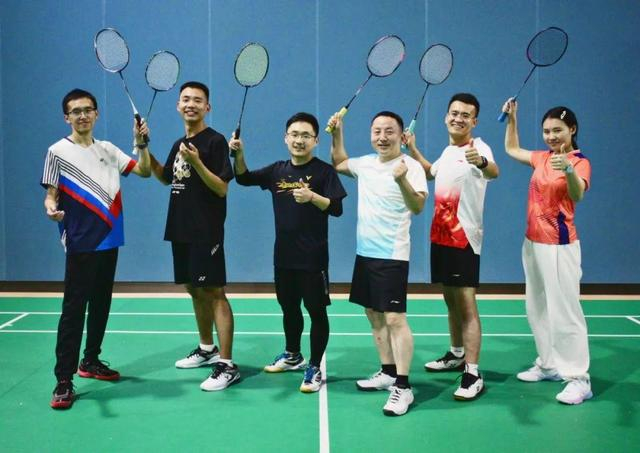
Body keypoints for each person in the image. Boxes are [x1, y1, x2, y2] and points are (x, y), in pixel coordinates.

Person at [43, 88, 151, 409]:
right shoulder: (57, 151)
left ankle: (90, 360)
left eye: (87, 110)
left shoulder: (108, 149)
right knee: (74, 310)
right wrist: (51, 208)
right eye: (76, 111)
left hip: (110, 237)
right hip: (80, 240)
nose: (82, 115)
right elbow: (50, 194)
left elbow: (144, 170)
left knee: (101, 303)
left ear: (96, 114)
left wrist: (142, 144)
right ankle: (64, 380)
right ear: (67, 117)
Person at [229, 112, 347, 393]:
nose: (299, 140)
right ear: (285, 138)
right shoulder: (277, 171)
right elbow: (243, 178)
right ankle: (293, 354)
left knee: (316, 311)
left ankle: (315, 366)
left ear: (316, 141)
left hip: (313, 258)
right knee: (289, 307)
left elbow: (337, 209)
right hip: (283, 257)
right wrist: (239, 154)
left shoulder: (324, 172)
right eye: (294, 134)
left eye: (306, 135)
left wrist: (312, 197)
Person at [328, 110, 427, 416]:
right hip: (365, 252)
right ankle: (387, 371)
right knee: (373, 314)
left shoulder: (410, 167)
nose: (382, 137)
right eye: (377, 131)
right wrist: (337, 132)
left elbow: (418, 206)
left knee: (395, 319)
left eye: (389, 131)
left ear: (401, 135)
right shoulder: (366, 164)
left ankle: (403, 386)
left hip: (392, 254)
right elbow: (339, 162)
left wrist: (401, 180)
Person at [407, 93, 498, 401]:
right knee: (450, 299)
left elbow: (493, 171)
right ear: (446, 116)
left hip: (463, 238)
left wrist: (481, 162)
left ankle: (473, 372)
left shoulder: (478, 147)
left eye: (465, 115)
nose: (458, 118)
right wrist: (413, 148)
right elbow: (431, 172)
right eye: (454, 113)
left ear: (474, 121)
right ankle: (457, 353)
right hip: (441, 235)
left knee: (467, 305)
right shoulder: (448, 151)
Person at [148, 81, 238, 391]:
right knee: (194, 289)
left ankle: (227, 364)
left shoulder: (215, 141)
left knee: (214, 291)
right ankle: (206, 348)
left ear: (207, 107)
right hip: (180, 227)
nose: (191, 104)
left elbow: (222, 188)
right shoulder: (179, 143)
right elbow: (165, 177)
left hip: (205, 230)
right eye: (185, 99)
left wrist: (197, 162)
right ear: (178, 105)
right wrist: (144, 148)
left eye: (198, 100)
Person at [502, 98, 592, 405]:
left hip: (559, 245)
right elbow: (512, 149)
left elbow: (577, 194)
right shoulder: (542, 157)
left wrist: (567, 169)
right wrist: (513, 119)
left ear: (572, 130)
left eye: (557, 130)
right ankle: (549, 364)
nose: (551, 136)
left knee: (565, 312)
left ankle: (579, 379)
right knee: (537, 308)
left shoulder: (579, 162)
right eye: (547, 131)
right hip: (532, 242)